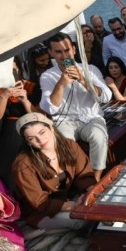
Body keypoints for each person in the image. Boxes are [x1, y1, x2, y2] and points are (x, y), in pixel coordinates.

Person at [39, 32, 111, 182]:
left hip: (91, 118)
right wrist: (60, 84)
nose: (64, 56)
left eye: (67, 50)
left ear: (74, 49)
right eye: (58, 52)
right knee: (64, 143)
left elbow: (106, 97)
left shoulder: (90, 69)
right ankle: (77, 180)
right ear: (51, 53)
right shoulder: (47, 76)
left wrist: (84, 80)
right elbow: (49, 108)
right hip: (65, 120)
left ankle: (95, 179)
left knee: (98, 136)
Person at [12, 113, 97, 230]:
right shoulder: (23, 164)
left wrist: (92, 194)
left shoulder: (70, 145)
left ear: (51, 128)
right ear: (27, 142)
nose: (40, 140)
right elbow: (39, 202)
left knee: (99, 210)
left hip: (71, 197)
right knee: (81, 220)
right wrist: (73, 206)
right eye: (31, 138)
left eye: (42, 132)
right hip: (42, 211)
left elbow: (84, 174)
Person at [0, 56, 43, 189]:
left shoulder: (31, 86)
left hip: (32, 125)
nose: (10, 74)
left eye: (12, 70)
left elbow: (41, 116)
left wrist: (25, 100)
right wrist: (4, 95)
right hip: (10, 131)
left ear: (18, 69)